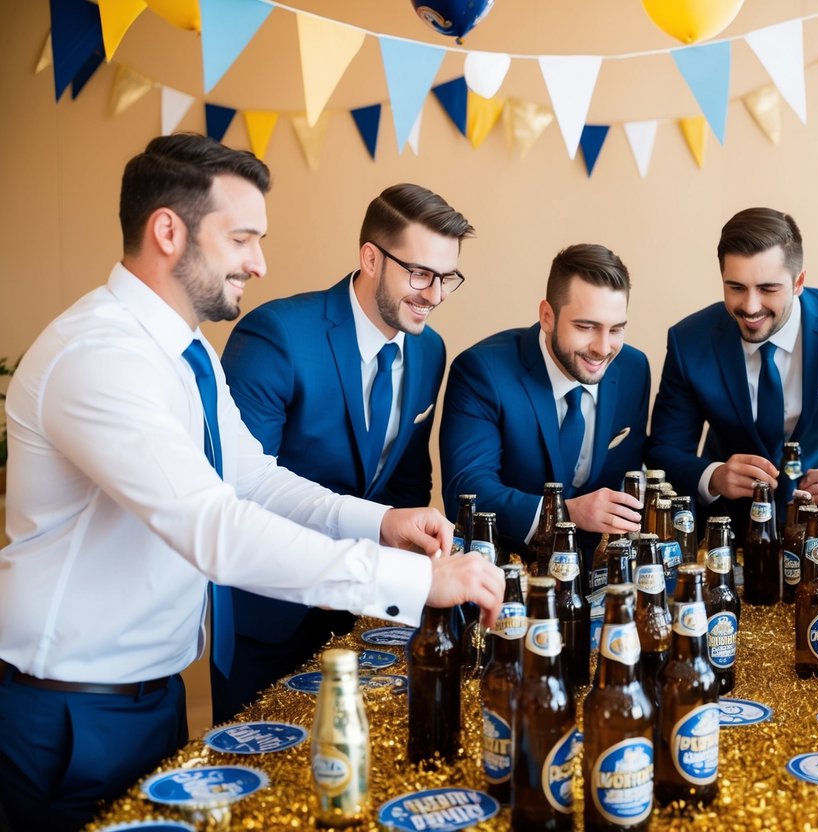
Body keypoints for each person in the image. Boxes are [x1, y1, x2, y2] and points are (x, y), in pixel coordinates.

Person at [0, 135, 503, 832]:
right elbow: (216, 527)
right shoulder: (100, 355)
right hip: (67, 712)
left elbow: (254, 480)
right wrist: (414, 581)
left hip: (154, 697)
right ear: (168, 231)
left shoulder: (187, 351)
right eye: (242, 239)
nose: (259, 263)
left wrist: (378, 522)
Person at [215, 184, 472, 723]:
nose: (435, 295)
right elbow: (241, 493)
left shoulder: (429, 349)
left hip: (370, 612)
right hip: (271, 612)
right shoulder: (275, 335)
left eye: (448, 278)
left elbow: (404, 478)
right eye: (420, 273)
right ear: (370, 257)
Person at [647, 207, 818, 530]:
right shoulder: (689, 342)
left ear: (799, 281)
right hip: (728, 532)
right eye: (736, 287)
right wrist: (715, 476)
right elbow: (664, 452)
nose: (750, 307)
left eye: (767, 289)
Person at [439, 244, 649, 557]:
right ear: (547, 316)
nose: (603, 348)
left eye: (616, 329)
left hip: (599, 578)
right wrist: (566, 513)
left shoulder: (633, 369)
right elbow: (467, 490)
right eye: (586, 326)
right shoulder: (481, 371)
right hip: (501, 574)